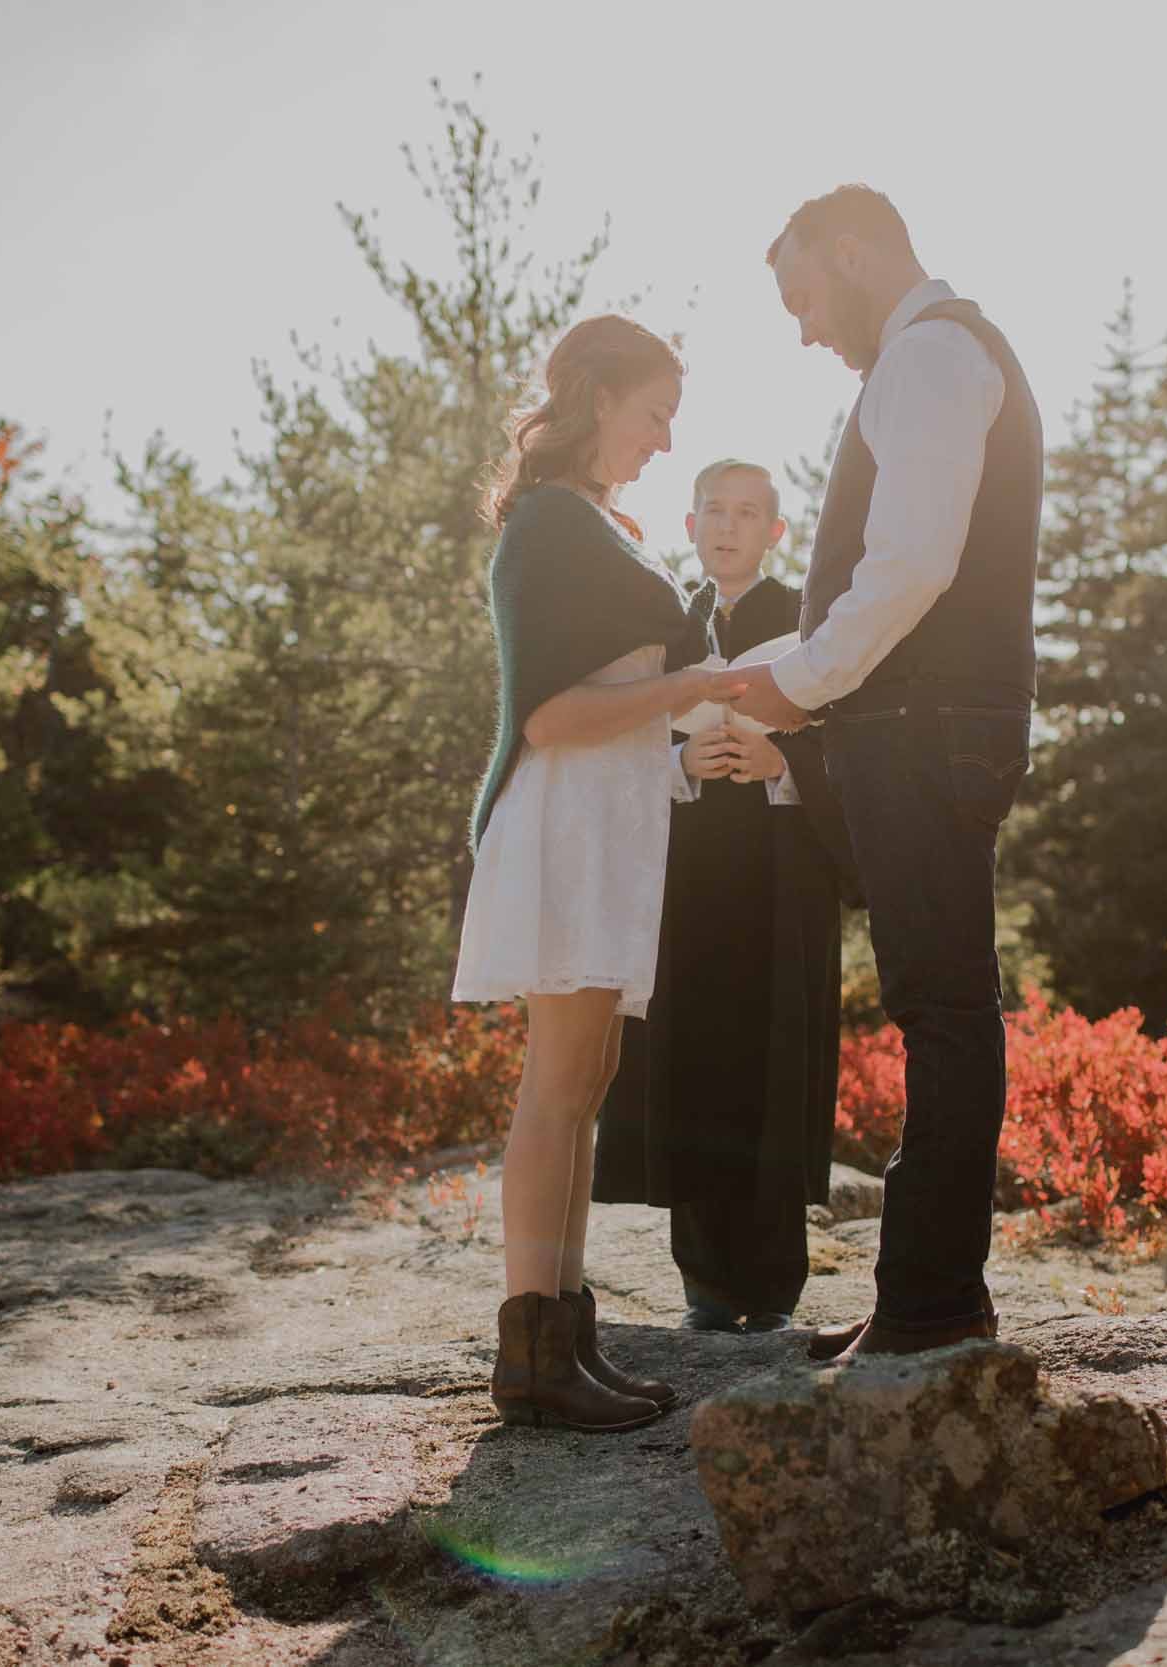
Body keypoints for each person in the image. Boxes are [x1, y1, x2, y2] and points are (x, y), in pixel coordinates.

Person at [729, 186, 1044, 1365]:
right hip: (917, 723)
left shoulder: (928, 357)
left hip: (923, 726)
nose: (805, 327)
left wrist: (799, 683)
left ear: (853, 254)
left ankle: (931, 1305)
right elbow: (884, 577)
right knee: (940, 1001)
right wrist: (760, 676)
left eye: (805, 295)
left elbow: (909, 565)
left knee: (945, 1007)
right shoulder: (928, 360)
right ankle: (922, 1290)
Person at [452, 315, 751, 1431]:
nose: (667, 440)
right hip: (564, 821)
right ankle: (529, 1346)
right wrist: (683, 695)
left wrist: (692, 732)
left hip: (613, 818)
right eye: (656, 413)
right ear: (598, 397)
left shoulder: (593, 522)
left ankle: (565, 1332)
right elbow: (553, 713)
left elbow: (620, 697)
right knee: (558, 1080)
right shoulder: (545, 526)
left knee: (588, 1081)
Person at [592, 459, 857, 1334]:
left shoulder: (816, 623)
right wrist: (679, 764)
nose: (730, 525)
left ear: (777, 532)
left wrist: (787, 765)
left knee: (771, 1061)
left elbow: (858, 744)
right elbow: (619, 740)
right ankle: (704, 1280)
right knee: (696, 1060)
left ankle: (771, 1284)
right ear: (692, 522)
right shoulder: (669, 630)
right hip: (694, 879)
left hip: (785, 878)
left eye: (750, 513)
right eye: (715, 510)